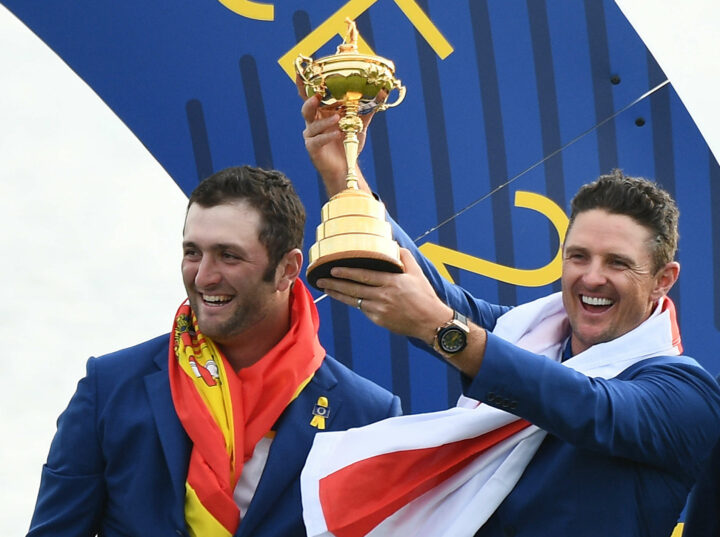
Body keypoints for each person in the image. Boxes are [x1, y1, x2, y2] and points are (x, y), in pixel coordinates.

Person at [298, 94, 720, 537]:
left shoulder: (689, 394)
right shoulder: (528, 333)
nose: (592, 278)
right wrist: (343, 173)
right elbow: (428, 289)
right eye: (578, 257)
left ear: (663, 279)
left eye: (617, 263)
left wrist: (439, 327)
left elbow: (589, 406)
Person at [27, 165, 401, 537]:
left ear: (287, 269)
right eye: (193, 252)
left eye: (229, 256)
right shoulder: (109, 387)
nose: (204, 276)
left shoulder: (366, 415)